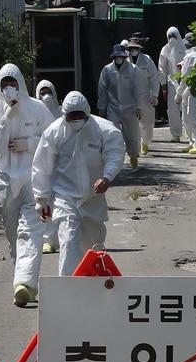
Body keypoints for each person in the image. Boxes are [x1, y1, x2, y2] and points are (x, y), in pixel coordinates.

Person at [0, 63, 56, 307]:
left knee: (30, 231)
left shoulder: (37, 109)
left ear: (21, 84)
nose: (9, 88)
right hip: (4, 179)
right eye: (5, 84)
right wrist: (5, 118)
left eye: (13, 83)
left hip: (31, 178)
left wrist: (30, 144)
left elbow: (53, 139)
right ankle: (21, 275)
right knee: (13, 234)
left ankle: (25, 284)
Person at [31, 91, 126, 277]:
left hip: (93, 197)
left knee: (93, 245)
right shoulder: (54, 132)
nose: (75, 119)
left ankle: (91, 287)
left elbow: (115, 153)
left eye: (79, 115)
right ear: (64, 114)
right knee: (68, 241)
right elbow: (42, 166)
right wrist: (42, 199)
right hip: (65, 196)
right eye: (71, 116)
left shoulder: (104, 130)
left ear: (87, 113)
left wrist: (107, 176)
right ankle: (67, 289)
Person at [96, 42, 148, 167]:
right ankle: (112, 159)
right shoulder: (107, 70)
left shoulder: (133, 69)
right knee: (111, 134)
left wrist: (139, 107)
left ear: (124, 57)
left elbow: (138, 89)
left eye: (121, 56)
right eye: (116, 57)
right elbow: (102, 90)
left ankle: (133, 156)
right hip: (113, 108)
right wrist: (102, 108)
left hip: (130, 108)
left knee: (132, 135)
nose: (118, 59)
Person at [35, 79, 63, 254]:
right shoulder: (34, 113)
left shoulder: (62, 112)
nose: (46, 96)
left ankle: (67, 237)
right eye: (42, 92)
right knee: (45, 201)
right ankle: (49, 240)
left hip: (63, 163)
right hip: (44, 163)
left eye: (49, 92)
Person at [126, 34, 161, 155]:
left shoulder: (147, 59)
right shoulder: (124, 60)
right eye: (132, 49)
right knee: (131, 123)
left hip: (145, 95)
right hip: (130, 97)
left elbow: (154, 77)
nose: (133, 51)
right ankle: (134, 144)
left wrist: (155, 95)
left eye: (136, 49)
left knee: (147, 122)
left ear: (139, 49)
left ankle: (145, 143)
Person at [177, 39, 196, 154]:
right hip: (192, 89)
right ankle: (192, 142)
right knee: (186, 116)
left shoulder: (191, 56)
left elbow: (185, 77)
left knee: (192, 116)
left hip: (194, 89)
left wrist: (178, 93)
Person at [158, 27, 186, 143]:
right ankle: (176, 134)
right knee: (173, 110)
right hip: (171, 82)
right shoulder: (165, 49)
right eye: (169, 36)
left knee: (187, 109)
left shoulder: (185, 47)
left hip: (185, 82)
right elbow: (161, 68)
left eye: (173, 36)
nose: (171, 39)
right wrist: (163, 86)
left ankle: (191, 136)